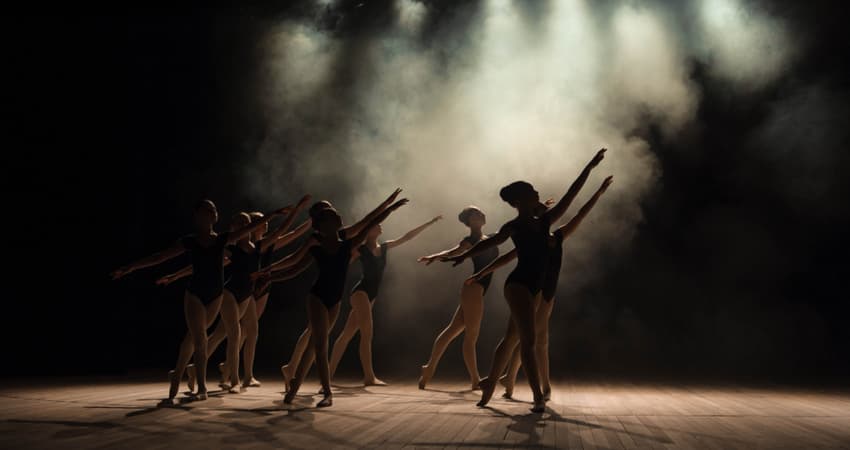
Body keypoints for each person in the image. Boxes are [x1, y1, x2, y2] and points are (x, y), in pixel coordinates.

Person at [443, 149, 607, 412]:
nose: (537, 192)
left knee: (510, 339)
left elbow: (571, 195)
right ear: (521, 200)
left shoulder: (545, 222)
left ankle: (488, 389)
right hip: (518, 285)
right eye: (532, 190)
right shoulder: (514, 227)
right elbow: (495, 242)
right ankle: (537, 397)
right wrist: (465, 256)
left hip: (535, 287)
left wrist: (589, 166)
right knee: (528, 341)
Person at [111, 200, 289, 400]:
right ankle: (201, 386)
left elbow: (251, 228)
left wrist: (272, 215)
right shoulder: (190, 241)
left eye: (214, 210)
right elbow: (160, 257)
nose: (212, 212)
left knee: (197, 337)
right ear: (196, 216)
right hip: (195, 294)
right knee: (199, 338)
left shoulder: (223, 240)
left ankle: (178, 373)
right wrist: (132, 267)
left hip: (215, 295)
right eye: (207, 210)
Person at [256, 192, 408, 407]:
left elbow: (369, 223)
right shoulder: (316, 246)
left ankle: (294, 387)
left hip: (334, 301)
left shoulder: (348, 243)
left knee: (312, 346)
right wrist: (269, 274)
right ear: (323, 225)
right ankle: (327, 393)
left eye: (337, 215)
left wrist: (390, 207)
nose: (339, 217)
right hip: (317, 296)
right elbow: (294, 265)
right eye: (333, 216)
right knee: (319, 345)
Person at [328, 215, 442, 386]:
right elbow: (342, 264)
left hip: (371, 295)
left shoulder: (385, 247)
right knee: (367, 334)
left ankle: (328, 376)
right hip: (360, 293)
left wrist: (430, 222)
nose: (380, 225)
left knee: (347, 334)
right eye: (376, 224)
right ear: (368, 231)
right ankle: (368, 377)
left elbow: (407, 237)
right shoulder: (360, 249)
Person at [416, 207, 500, 390]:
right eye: (476, 214)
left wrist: (538, 211)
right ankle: (475, 380)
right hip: (474, 288)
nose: (482, 214)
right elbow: (454, 251)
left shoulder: (491, 237)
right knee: (471, 337)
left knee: (452, 331)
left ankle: (428, 369)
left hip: (476, 289)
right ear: (470, 222)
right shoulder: (471, 240)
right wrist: (434, 256)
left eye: (481, 212)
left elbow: (515, 227)